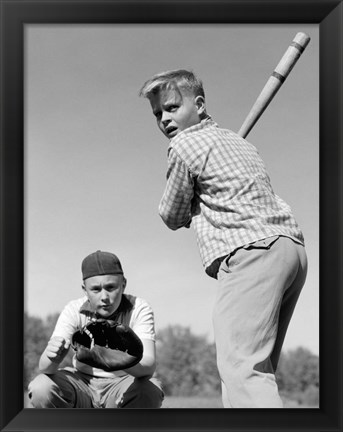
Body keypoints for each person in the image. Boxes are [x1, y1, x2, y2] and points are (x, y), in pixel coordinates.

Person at [139, 69, 308, 408]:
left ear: (199, 105)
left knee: (241, 369)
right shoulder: (240, 142)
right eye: (158, 113)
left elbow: (172, 215)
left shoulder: (184, 145)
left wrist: (190, 203)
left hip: (251, 254)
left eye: (172, 108)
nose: (164, 119)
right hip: (290, 250)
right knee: (250, 371)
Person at [28, 250, 164, 408]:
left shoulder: (139, 308)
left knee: (149, 390)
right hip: (82, 383)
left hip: (122, 384)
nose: (104, 297)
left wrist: (119, 360)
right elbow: (45, 368)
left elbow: (148, 367)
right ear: (84, 289)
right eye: (96, 290)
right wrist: (52, 358)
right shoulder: (73, 309)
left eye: (111, 287)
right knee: (41, 387)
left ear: (123, 284)